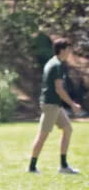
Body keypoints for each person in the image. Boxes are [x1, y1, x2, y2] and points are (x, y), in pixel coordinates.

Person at [28, 38, 81, 174]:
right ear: (62, 50)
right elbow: (59, 89)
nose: (70, 52)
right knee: (43, 135)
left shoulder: (54, 63)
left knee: (67, 129)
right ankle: (32, 167)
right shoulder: (56, 65)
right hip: (51, 105)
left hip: (54, 105)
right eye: (68, 49)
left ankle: (63, 166)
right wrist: (72, 104)